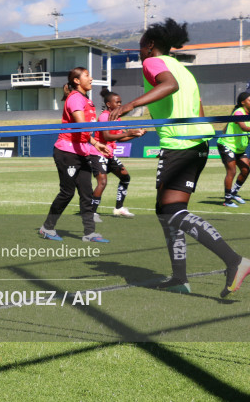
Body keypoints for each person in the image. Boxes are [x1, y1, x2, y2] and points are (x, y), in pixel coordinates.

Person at [110, 18, 249, 296]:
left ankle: (235, 261)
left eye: (141, 46)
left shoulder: (153, 63)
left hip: (180, 144)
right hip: (194, 143)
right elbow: (197, 107)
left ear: (151, 45)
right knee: (165, 211)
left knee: (172, 210)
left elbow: (169, 85)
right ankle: (179, 278)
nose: (140, 51)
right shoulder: (184, 70)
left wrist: (130, 105)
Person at [39, 67, 112, 243]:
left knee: (87, 193)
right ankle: (47, 227)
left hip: (81, 152)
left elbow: (84, 131)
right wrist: (101, 136)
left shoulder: (86, 99)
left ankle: (89, 233)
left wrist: (96, 144)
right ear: (77, 81)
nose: (91, 78)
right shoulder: (75, 98)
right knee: (67, 192)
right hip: (67, 152)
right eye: (87, 76)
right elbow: (82, 125)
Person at [90, 89, 146, 219]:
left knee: (125, 177)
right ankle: (91, 212)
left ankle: (119, 208)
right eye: (117, 102)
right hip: (98, 153)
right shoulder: (104, 117)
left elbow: (120, 138)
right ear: (109, 104)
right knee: (102, 182)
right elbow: (107, 136)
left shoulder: (117, 118)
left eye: (121, 102)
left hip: (109, 154)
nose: (120, 104)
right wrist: (129, 132)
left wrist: (136, 135)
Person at [217, 92, 250, 207]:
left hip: (239, 148)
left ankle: (234, 193)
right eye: (249, 100)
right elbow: (243, 127)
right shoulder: (238, 112)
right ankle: (227, 200)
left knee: (246, 170)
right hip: (227, 145)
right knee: (232, 171)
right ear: (243, 102)